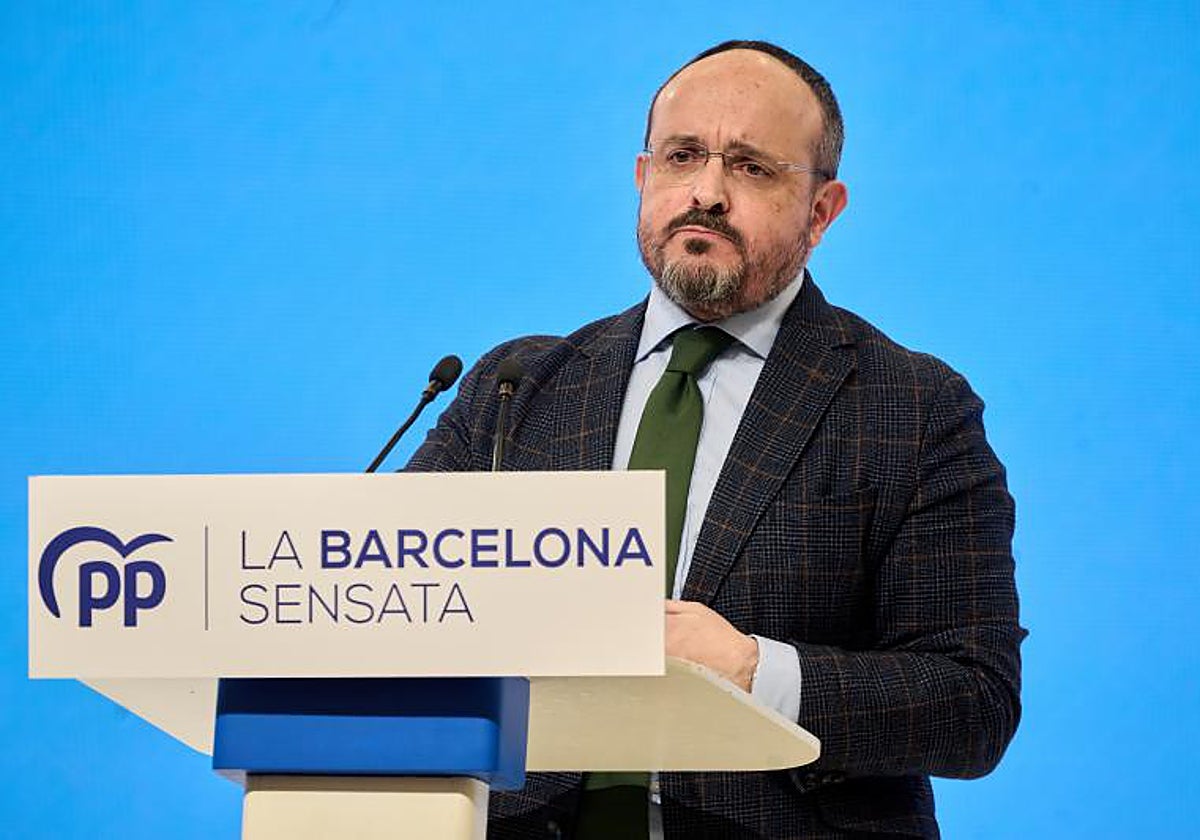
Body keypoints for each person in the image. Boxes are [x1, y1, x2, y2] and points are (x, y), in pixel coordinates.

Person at [407, 39, 1024, 840]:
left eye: (752, 168)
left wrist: (756, 672)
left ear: (823, 211)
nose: (706, 193)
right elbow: (385, 601)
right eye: (682, 156)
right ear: (642, 178)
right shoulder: (520, 386)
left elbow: (974, 702)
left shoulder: (913, 406)